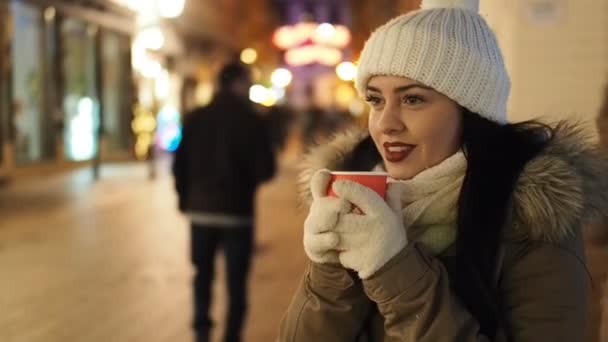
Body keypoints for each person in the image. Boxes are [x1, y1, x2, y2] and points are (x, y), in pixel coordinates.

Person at [278, 0, 608, 341]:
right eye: (376, 100)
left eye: (413, 99)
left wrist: (394, 269)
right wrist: (330, 272)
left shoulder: (534, 219)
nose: (385, 124)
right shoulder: (358, 193)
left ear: (470, 113)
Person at [173, 61, 276, 342]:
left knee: (202, 275)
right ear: (239, 84)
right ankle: (231, 336)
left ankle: (202, 332)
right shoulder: (252, 121)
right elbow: (266, 170)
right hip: (237, 213)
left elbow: (179, 163)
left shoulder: (196, 118)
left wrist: (185, 198)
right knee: (236, 283)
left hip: (201, 212)